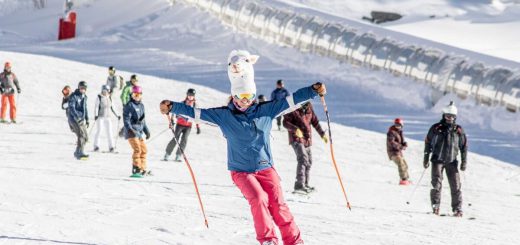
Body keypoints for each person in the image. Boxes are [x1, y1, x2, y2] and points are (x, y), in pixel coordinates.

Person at [159, 50, 321, 245]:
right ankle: (268, 240)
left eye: (249, 96)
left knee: (278, 205)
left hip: (266, 168)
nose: (245, 101)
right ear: (233, 96)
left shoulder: (266, 110)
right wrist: (172, 106)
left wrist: (313, 90)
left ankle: (294, 241)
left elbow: (292, 100)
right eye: (240, 96)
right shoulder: (224, 116)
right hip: (241, 171)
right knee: (259, 198)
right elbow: (196, 112)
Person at [424, 101, 468, 217]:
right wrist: (426, 157)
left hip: (452, 161)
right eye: (448, 116)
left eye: (452, 117)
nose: (450, 119)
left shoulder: (458, 130)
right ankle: (435, 206)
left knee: (456, 185)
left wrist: (464, 162)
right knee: (436, 184)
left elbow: (464, 147)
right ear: (443, 116)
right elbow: (428, 142)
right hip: (437, 160)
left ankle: (457, 208)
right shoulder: (436, 128)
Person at [283, 102, 327, 193]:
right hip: (296, 138)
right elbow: (285, 122)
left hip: (306, 139)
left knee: (309, 161)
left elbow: (315, 122)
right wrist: (296, 129)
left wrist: (322, 134)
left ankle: (305, 184)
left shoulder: (309, 108)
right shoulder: (292, 109)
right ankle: (299, 185)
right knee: (303, 159)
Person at [163, 88, 201, 162]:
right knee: (175, 138)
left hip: (188, 126)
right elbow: (174, 111)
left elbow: (197, 116)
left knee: (184, 140)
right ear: (187, 95)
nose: (190, 97)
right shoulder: (182, 103)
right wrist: (172, 119)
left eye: (192, 95)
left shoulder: (195, 105)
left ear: (194, 96)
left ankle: (178, 155)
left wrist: (198, 127)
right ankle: (167, 154)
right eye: (189, 95)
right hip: (180, 124)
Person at [124, 85, 151, 177]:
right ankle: (136, 169)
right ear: (132, 95)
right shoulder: (129, 105)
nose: (137, 96)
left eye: (139, 94)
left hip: (139, 132)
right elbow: (126, 119)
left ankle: (142, 169)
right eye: (135, 94)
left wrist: (146, 131)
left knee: (144, 150)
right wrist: (129, 129)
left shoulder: (141, 106)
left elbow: (143, 120)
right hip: (131, 132)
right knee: (137, 149)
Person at [93, 85, 121, 152]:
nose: (105, 93)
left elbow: (113, 107)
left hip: (108, 117)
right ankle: (96, 146)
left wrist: (117, 115)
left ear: (109, 91)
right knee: (99, 131)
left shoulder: (110, 98)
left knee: (109, 132)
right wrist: (96, 115)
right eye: (103, 91)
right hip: (100, 117)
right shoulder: (99, 97)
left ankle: (111, 147)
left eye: (106, 91)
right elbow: (96, 107)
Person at [68, 81, 90, 160]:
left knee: (86, 137)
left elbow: (85, 108)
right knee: (81, 135)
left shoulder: (84, 97)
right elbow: (72, 108)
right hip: (73, 119)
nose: (82, 90)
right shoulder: (74, 96)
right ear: (78, 87)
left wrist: (87, 119)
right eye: (81, 88)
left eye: (84, 88)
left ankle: (78, 150)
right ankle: (79, 152)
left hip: (81, 119)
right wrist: (77, 117)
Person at [386, 118, 410, 185]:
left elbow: (400, 142)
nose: (397, 126)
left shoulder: (399, 132)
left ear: (402, 125)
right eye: (396, 125)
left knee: (405, 164)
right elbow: (392, 142)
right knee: (401, 163)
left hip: (398, 152)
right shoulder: (391, 132)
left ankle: (406, 179)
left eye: (399, 125)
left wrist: (404, 144)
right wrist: (400, 146)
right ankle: (403, 180)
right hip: (393, 152)